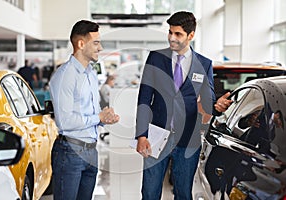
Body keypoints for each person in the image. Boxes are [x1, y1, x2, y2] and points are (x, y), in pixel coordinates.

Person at [135, 11, 232, 200]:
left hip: (188, 140)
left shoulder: (204, 64)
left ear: (191, 35)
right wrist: (141, 135)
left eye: (177, 34)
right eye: (170, 32)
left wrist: (216, 105)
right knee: (149, 192)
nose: (172, 37)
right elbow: (144, 99)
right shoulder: (156, 58)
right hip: (156, 137)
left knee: (183, 193)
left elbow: (207, 98)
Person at [49, 20, 120, 200]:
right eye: (95, 42)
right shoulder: (65, 76)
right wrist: (98, 117)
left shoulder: (90, 73)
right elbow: (64, 121)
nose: (100, 47)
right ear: (81, 44)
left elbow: (89, 111)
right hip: (70, 152)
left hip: (91, 151)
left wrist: (105, 117)